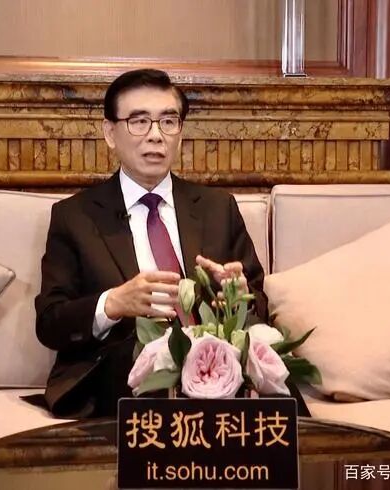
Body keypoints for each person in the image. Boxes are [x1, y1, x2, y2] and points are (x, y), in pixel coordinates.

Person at [34, 69, 308, 418]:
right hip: (122, 368)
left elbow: (259, 303)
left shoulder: (217, 208)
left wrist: (238, 297)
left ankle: (314, 452)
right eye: (139, 122)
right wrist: (113, 303)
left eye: (168, 121)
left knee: (272, 375)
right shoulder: (75, 216)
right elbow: (50, 322)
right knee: (146, 361)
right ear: (110, 133)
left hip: (216, 359)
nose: (155, 136)